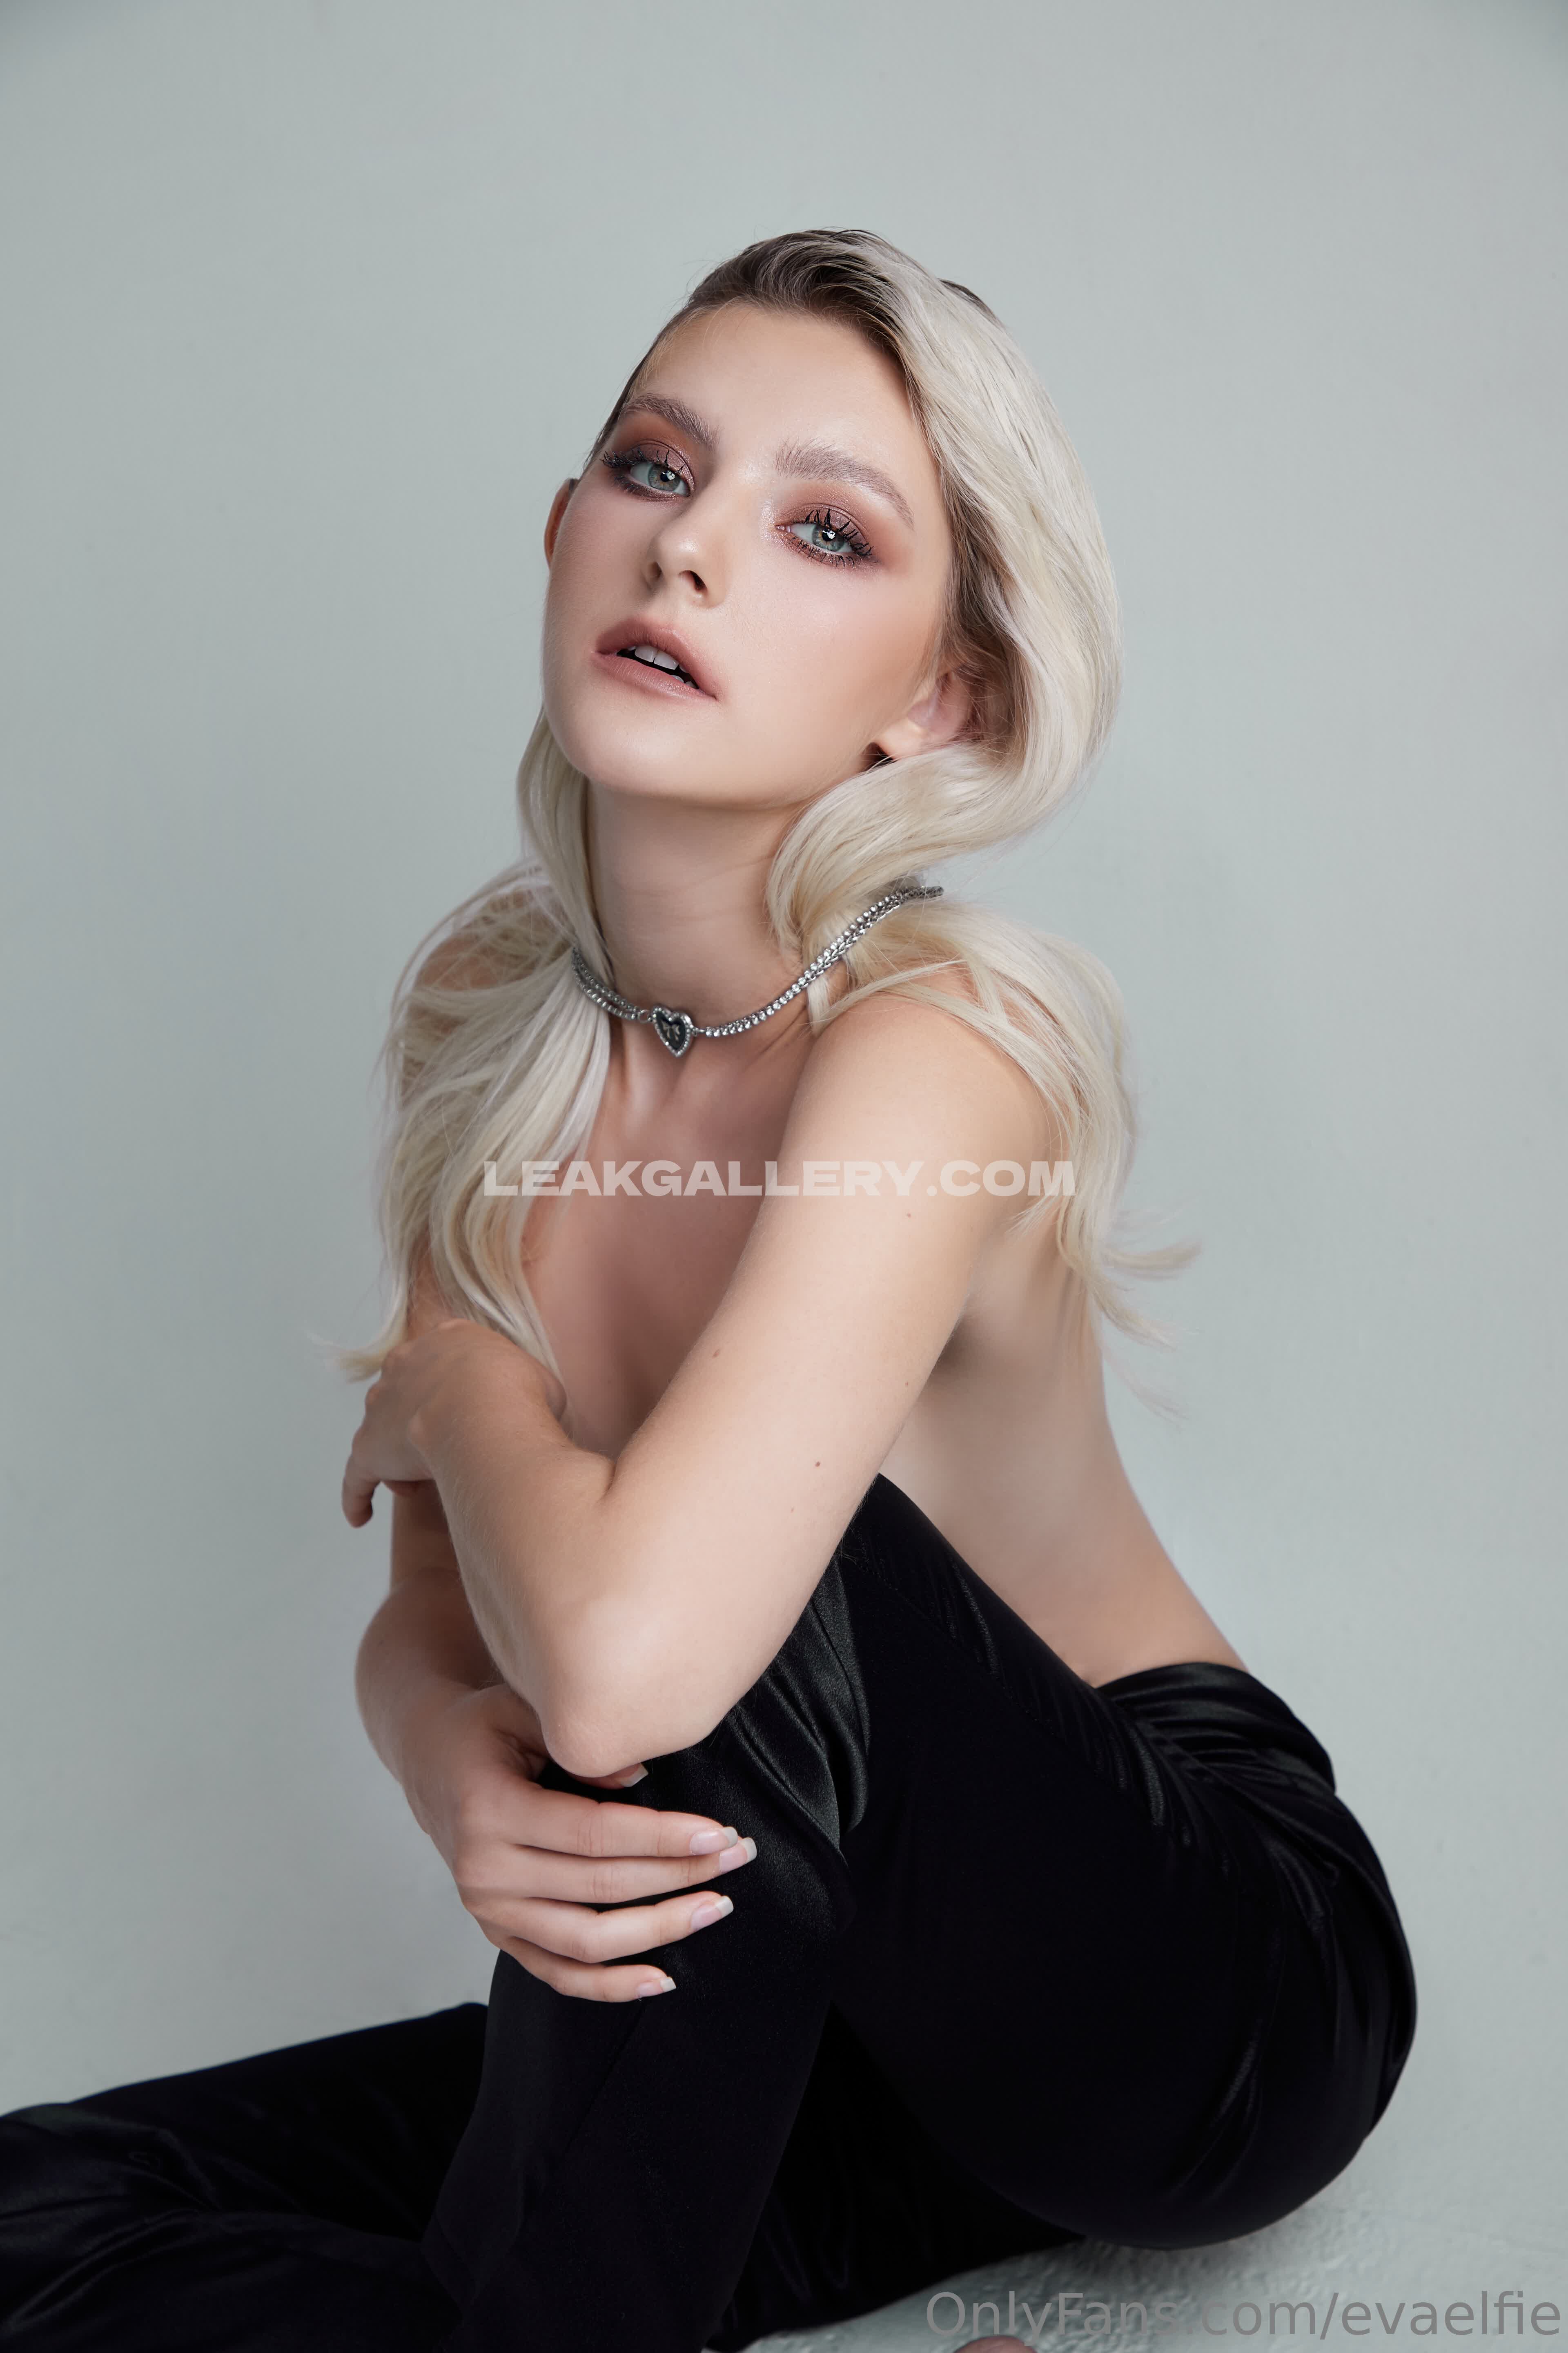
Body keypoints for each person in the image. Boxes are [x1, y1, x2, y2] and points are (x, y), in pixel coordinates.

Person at [0, 229, 1416, 2353]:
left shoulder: (935, 1048)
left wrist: (466, 1385)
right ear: (562, 529)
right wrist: (442, 1757)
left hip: (1183, 1972)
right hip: (814, 1964)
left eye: (824, 530)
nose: (689, 552)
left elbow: (631, 1668)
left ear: (942, 697)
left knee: (764, 1581)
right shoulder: (487, 1010)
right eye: (654, 471)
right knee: (45, 2207)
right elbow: (446, 1618)